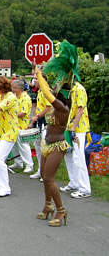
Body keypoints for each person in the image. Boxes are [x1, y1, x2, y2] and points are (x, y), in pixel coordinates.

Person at [34, 67, 71, 227]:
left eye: (56, 91)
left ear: (61, 95)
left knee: (49, 178)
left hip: (57, 145)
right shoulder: (56, 107)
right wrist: (38, 74)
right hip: (47, 144)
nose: (53, 92)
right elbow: (47, 91)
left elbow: (47, 92)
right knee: (43, 175)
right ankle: (48, 205)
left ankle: (61, 210)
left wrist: (39, 75)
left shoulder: (63, 109)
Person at [60, 81, 91, 198]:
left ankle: (85, 189)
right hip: (72, 128)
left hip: (78, 129)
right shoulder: (72, 90)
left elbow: (80, 110)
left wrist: (73, 128)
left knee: (79, 158)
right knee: (69, 156)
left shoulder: (79, 90)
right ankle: (74, 183)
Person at [28, 76, 53, 181]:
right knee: (37, 146)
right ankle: (40, 170)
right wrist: (34, 119)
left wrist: (37, 116)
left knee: (45, 148)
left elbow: (48, 107)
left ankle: (47, 173)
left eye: (36, 79)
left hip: (46, 123)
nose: (34, 81)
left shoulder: (46, 91)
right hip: (39, 123)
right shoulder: (39, 91)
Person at [9, 80, 34, 173]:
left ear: (19, 88)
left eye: (14, 88)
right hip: (13, 125)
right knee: (14, 146)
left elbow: (23, 113)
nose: (12, 89)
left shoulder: (25, 98)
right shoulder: (14, 97)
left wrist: (10, 115)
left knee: (24, 146)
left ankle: (29, 165)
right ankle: (18, 163)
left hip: (22, 126)